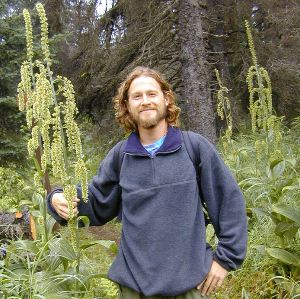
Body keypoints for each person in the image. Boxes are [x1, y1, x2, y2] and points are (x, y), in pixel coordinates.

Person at [47, 66, 248, 299]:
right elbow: (95, 204)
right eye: (137, 96)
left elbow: (228, 203)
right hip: (135, 288)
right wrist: (57, 197)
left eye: (151, 94)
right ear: (127, 106)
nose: (145, 101)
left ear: (166, 98)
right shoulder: (121, 156)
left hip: (190, 284)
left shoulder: (194, 148)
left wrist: (225, 259)